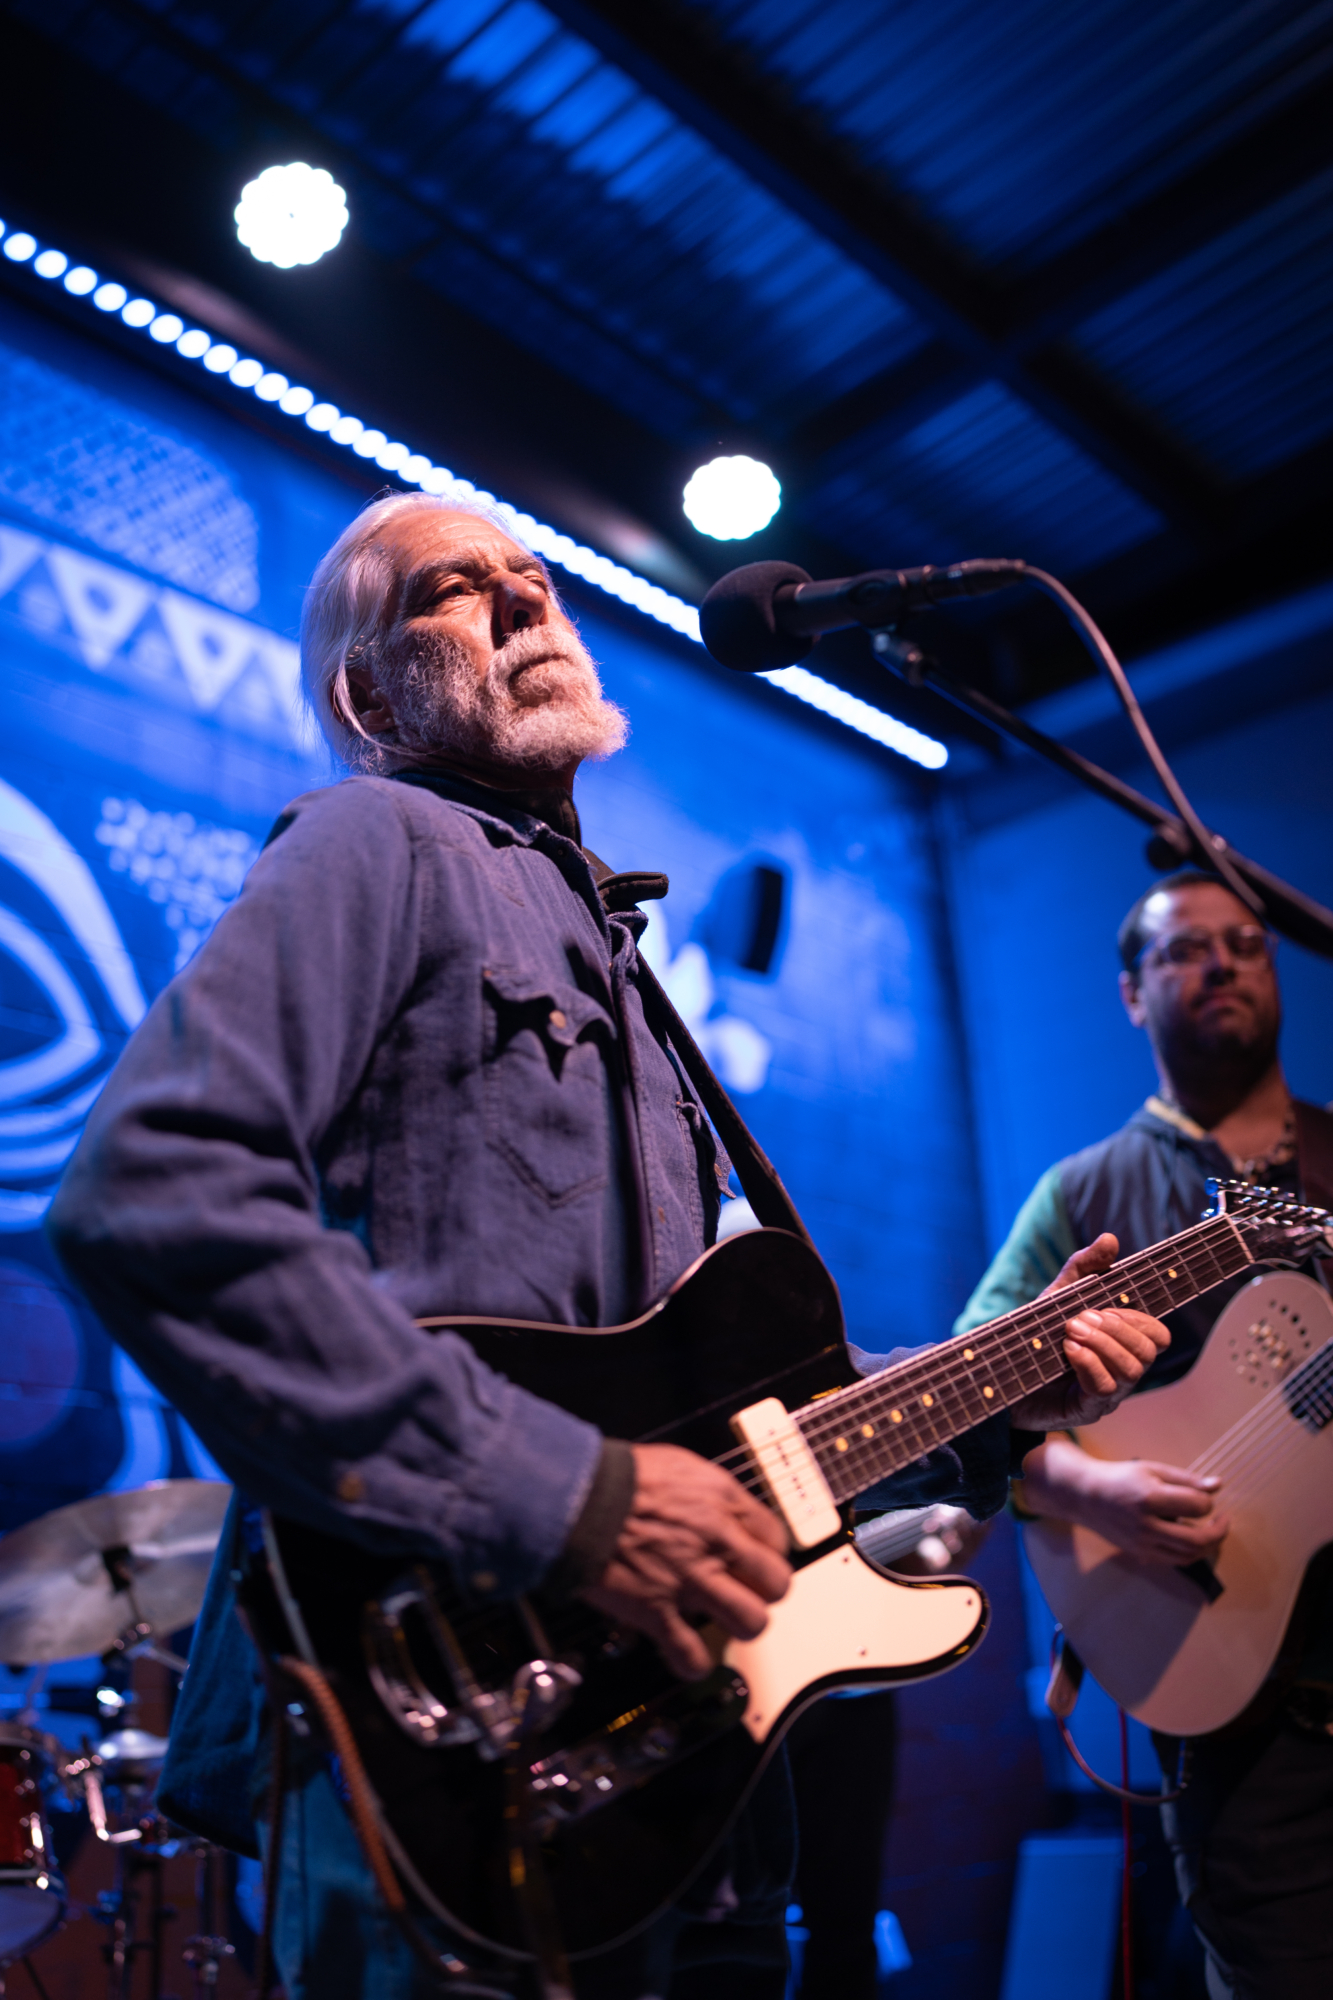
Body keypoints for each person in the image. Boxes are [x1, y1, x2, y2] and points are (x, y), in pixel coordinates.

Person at [48, 492, 1164, 2000]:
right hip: (457, 1754)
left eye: (535, 576)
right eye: (456, 588)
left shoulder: (618, 960)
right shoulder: (383, 835)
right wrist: (566, 1496)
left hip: (695, 1790)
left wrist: (1007, 1387)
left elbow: (735, 1424)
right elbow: (153, 1189)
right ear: (367, 695)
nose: (524, 596)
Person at [955, 868, 1333, 2000]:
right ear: (1131, 992)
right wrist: (1090, 1492)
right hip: (1243, 1709)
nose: (1220, 962)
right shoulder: (1080, 1194)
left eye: (1244, 942)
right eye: (1183, 949)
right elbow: (969, 1399)